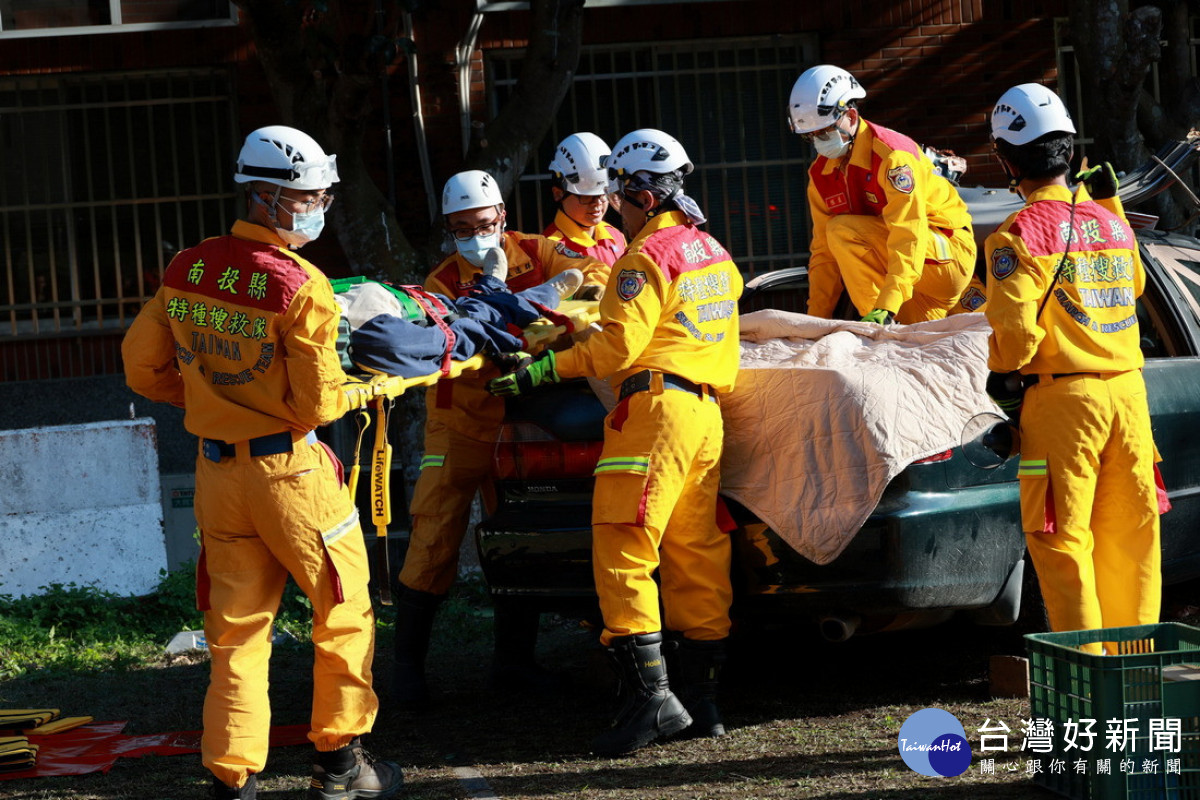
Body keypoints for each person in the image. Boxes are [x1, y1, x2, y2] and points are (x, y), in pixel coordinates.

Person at [122, 125, 403, 800]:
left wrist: (207, 399)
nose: (318, 206)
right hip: (293, 478)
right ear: (267, 196)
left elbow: (140, 367)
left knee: (237, 634)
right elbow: (316, 407)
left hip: (217, 477)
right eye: (308, 196)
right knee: (342, 610)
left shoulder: (186, 268)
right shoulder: (299, 285)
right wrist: (369, 385)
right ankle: (341, 769)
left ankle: (231, 778)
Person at [489, 129, 743, 755]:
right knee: (696, 554)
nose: (618, 206)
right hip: (706, 416)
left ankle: (651, 702)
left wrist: (545, 367)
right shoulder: (711, 249)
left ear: (639, 191)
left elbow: (616, 347)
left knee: (624, 548)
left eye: (622, 193)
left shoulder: (643, 258)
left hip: (652, 413)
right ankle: (704, 700)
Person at [393, 169, 610, 711]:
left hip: (532, 409)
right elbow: (455, 351)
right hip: (461, 417)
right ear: (448, 228)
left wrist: (543, 324)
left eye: (484, 224)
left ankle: (513, 664)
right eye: (462, 228)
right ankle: (405, 673)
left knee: (517, 532)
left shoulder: (541, 251)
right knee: (433, 535)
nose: (474, 235)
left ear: (503, 218)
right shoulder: (441, 281)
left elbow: (596, 285)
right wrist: (517, 336)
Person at [984, 84, 1166, 652]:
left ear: (1007, 160)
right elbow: (1134, 285)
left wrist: (1000, 379)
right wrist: (1107, 203)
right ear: (1069, 150)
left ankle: (1087, 682)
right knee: (1132, 541)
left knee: (1063, 543)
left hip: (1064, 405)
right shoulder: (1111, 224)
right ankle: (1136, 682)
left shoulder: (1015, 235)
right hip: (1131, 398)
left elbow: (1014, 340)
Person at [787, 64, 976, 324]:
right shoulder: (820, 175)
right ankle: (882, 325)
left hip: (945, 257)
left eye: (824, 132)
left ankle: (877, 324)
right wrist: (814, 321)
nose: (819, 142)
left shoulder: (893, 155)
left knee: (840, 230)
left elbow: (909, 230)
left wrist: (886, 307)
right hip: (906, 274)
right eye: (811, 137)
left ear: (851, 117)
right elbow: (824, 254)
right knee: (917, 350)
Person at [543, 132, 627, 267]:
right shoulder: (548, 248)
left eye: (604, 194)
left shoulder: (615, 236)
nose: (598, 203)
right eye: (587, 196)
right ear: (558, 194)